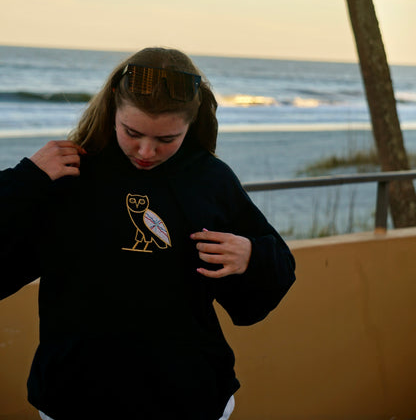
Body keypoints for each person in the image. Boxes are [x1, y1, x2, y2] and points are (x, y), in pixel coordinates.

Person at [0, 47, 295, 420]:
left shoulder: (209, 180)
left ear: (191, 125)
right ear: (113, 111)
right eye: (132, 133)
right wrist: (24, 180)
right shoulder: (67, 174)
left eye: (167, 139)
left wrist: (252, 256)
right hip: (74, 396)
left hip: (188, 397)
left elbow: (271, 280)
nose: (146, 151)